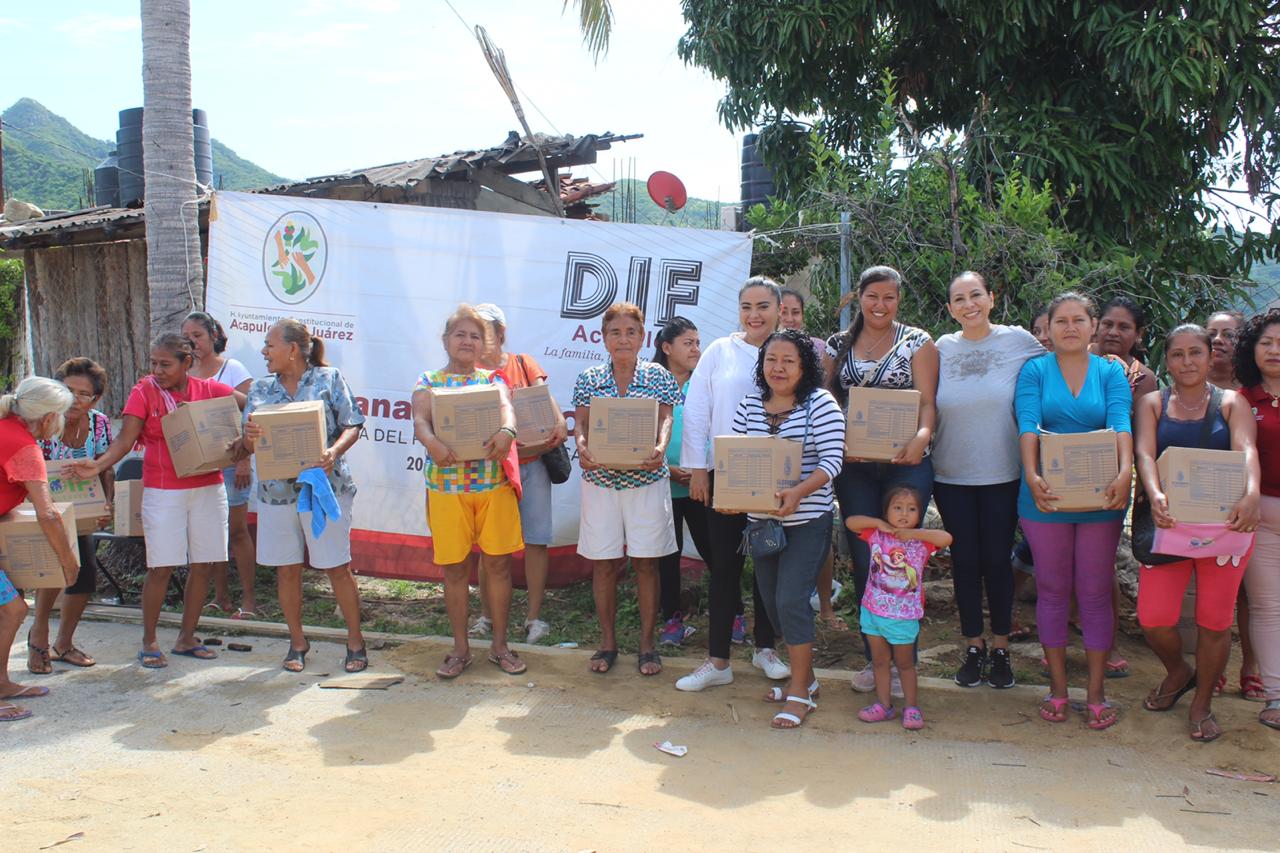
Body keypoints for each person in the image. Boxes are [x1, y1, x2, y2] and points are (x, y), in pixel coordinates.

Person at [72, 334, 243, 669]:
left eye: (165, 364)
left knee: (204, 563)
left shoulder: (208, 391)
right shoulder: (144, 391)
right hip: (163, 490)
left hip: (209, 487)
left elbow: (247, 402)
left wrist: (236, 431)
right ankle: (149, 641)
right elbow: (126, 438)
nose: (157, 370)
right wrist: (100, 464)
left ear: (187, 363)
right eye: (153, 363)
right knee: (161, 566)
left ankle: (186, 638)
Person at [1134, 324, 1260, 742]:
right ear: (1166, 361)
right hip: (1170, 524)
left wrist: (1252, 495)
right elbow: (1144, 453)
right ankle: (1178, 671)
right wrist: (1153, 493)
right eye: (1177, 355)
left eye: (1195, 353)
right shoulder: (1153, 403)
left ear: (1210, 357)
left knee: (1215, 621)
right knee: (1153, 619)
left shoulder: (1232, 403)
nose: (1187, 362)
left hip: (1226, 527)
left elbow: (1247, 450)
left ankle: (1202, 701)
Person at [1015, 292, 1133, 730]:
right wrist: (1031, 475)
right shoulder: (1034, 370)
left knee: (1096, 590)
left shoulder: (1110, 373)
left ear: (1093, 326)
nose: (1069, 327)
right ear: (1048, 328)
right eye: (1060, 320)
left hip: (1102, 496)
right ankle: (1059, 690)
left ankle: (1097, 693)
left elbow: (1121, 422)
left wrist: (1126, 474)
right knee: (1051, 587)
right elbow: (1027, 424)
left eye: (1078, 320)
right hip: (1045, 496)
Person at [827, 265, 939, 695]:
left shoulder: (918, 342)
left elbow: (929, 404)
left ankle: (903, 659)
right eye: (873, 296)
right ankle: (874, 660)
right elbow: (829, 400)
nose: (880, 305)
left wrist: (922, 437)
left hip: (906, 462)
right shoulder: (839, 344)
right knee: (864, 557)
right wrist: (841, 438)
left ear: (898, 300)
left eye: (889, 297)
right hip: (855, 464)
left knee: (903, 558)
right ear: (860, 297)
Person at [932, 272, 1044, 689]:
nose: (969, 305)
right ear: (950, 309)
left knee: (997, 560)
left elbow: (1058, 359)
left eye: (975, 295)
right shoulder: (942, 347)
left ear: (991, 298)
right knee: (964, 562)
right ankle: (973, 645)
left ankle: (1000, 648)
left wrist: (1110, 362)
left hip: (1002, 472)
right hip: (951, 473)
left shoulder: (1016, 340)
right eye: (959, 299)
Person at [677, 277, 789, 691]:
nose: (754, 314)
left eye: (763, 306)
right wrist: (699, 468)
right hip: (725, 477)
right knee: (724, 568)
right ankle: (718, 661)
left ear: (779, 308)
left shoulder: (787, 351)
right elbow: (697, 409)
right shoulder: (720, 351)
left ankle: (765, 650)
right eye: (746, 306)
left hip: (773, 479)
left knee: (767, 566)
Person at [731, 329, 845, 728]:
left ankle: (799, 695)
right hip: (761, 523)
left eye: (788, 361)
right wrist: (734, 494)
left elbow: (832, 462)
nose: (778, 368)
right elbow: (739, 459)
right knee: (773, 603)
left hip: (807, 521)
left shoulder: (820, 404)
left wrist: (797, 492)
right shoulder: (748, 404)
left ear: (804, 366)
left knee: (792, 600)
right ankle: (807, 679)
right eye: (771, 360)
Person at [242, 319, 368, 674]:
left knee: (337, 568)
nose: (264, 352)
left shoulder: (329, 379)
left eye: (270, 345)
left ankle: (355, 642)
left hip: (326, 490)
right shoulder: (260, 389)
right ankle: (297, 642)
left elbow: (353, 423)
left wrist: (333, 451)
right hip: (276, 495)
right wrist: (249, 437)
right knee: (287, 570)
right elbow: (245, 443)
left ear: (293, 350)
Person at [412, 305, 525, 678]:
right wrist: (432, 444)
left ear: (485, 344)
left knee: (497, 565)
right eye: (460, 334)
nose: (468, 341)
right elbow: (420, 422)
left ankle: (500, 646)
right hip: (447, 488)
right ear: (446, 340)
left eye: (475, 335)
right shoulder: (428, 381)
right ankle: (460, 649)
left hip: (492, 486)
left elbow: (508, 412)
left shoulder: (494, 380)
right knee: (456, 570)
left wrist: (507, 432)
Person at [573, 302, 680, 676]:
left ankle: (648, 645)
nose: (623, 339)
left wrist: (661, 447)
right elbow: (581, 424)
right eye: (615, 333)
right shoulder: (588, 378)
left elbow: (666, 418)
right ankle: (607, 643)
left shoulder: (658, 376)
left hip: (646, 481)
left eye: (631, 332)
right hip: (601, 482)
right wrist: (582, 447)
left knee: (647, 563)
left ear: (642, 337)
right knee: (604, 565)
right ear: (604, 338)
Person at [470, 303, 569, 646]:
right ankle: (485, 616)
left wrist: (558, 425)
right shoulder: (469, 376)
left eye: (483, 331)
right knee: (490, 549)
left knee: (536, 542)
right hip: (492, 472)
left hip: (533, 467)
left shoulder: (523, 364)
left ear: (500, 333)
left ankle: (534, 618)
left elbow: (550, 408)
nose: (478, 340)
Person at [0, 378, 82, 722]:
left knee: (11, 609)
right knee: (12, 610)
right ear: (49, 417)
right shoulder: (23, 446)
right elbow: (47, 513)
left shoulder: (5, 429)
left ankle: (2, 683)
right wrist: (68, 562)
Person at [27, 359, 115, 675]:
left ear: (95, 398)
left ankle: (63, 644)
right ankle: (38, 637)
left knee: (83, 575)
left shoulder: (101, 423)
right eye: (69, 390)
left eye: (84, 393)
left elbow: (106, 465)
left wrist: (108, 504)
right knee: (52, 572)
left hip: (83, 513)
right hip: (44, 510)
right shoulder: (44, 422)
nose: (76, 399)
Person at [847, 487, 953, 730]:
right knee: (879, 662)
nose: (904, 513)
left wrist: (916, 532)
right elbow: (851, 522)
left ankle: (912, 707)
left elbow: (946, 539)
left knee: (905, 664)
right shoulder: (875, 533)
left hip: (903, 616)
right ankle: (884, 705)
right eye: (897, 507)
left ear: (920, 513)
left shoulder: (922, 542)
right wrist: (878, 522)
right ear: (886, 511)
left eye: (912, 509)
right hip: (872, 611)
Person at [1092, 295, 1159, 677]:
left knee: (1101, 566)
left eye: (1124, 327)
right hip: (1061, 476)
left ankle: (1109, 641)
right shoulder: (1073, 357)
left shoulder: (1142, 378)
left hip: (1110, 481)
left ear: (1138, 334)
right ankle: (1077, 632)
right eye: (1108, 324)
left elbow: (1142, 438)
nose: (1114, 332)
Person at [183, 311, 258, 620]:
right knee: (210, 532)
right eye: (186, 337)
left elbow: (252, 411)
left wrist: (244, 459)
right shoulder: (182, 373)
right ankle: (220, 597)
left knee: (238, 532)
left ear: (213, 336)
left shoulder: (232, 368)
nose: (192, 342)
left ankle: (250, 601)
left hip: (231, 463)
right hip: (198, 465)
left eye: (197, 336)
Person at [1206, 309, 1263, 700]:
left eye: (1229, 334)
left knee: (1248, 593)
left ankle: (1252, 666)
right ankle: (1214, 666)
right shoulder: (1184, 387)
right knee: (1214, 593)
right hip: (1196, 510)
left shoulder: (1254, 392)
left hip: (1245, 506)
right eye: (1211, 333)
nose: (1219, 340)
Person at [780, 286, 844, 629]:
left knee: (820, 541)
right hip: (771, 486)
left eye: (796, 312)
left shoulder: (820, 350)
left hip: (814, 474)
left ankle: (825, 607)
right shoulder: (763, 353)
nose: (790, 318)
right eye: (784, 311)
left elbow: (828, 397)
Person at [1232, 309, 1280, 729]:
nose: (1275, 350)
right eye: (1266, 342)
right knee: (1267, 608)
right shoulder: (1244, 399)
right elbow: (1243, 451)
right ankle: (1277, 698)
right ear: (1252, 349)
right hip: (1261, 514)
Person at [652, 316, 711, 646]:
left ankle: (733, 616)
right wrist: (667, 468)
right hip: (663, 485)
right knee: (667, 558)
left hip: (700, 485)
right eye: (688, 343)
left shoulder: (705, 382)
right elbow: (641, 433)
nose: (696, 349)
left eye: (697, 343)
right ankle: (671, 622)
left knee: (716, 552)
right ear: (666, 347)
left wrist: (701, 469)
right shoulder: (650, 384)